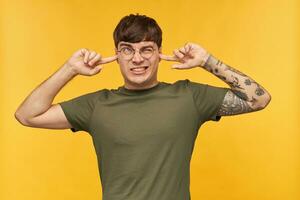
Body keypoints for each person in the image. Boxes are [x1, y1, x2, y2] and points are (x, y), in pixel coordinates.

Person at [15, 14, 271, 200]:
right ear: (116, 55)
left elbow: (258, 98)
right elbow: (27, 115)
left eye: (146, 49)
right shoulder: (96, 105)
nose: (137, 59)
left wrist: (207, 61)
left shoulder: (189, 96)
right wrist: (70, 69)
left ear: (159, 53)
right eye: (127, 50)